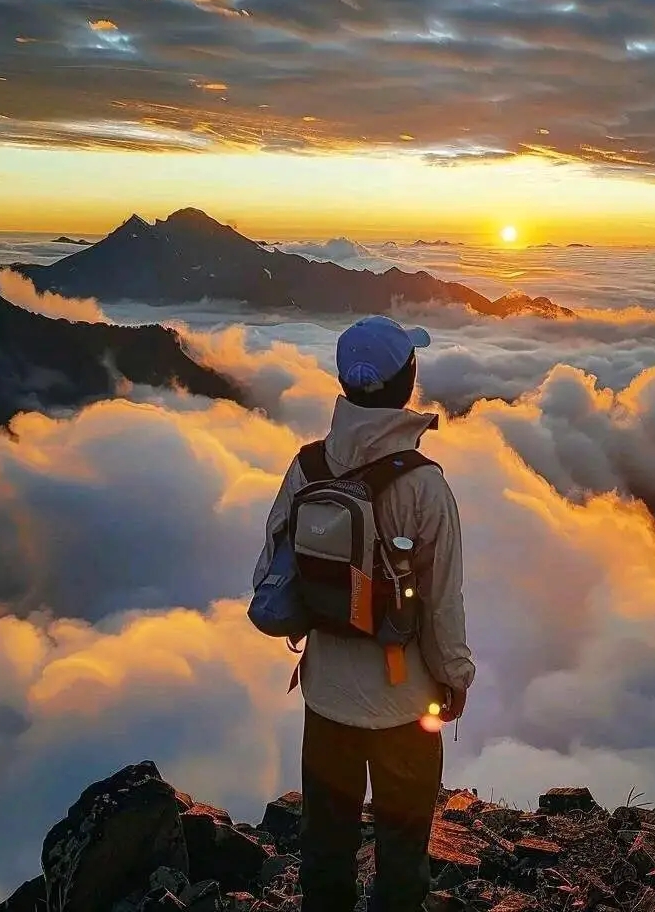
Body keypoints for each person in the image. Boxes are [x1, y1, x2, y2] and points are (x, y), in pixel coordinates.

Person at [253, 315, 476, 912]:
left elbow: (269, 577)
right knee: (402, 851)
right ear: (408, 381)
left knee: (326, 840)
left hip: (326, 696)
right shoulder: (426, 486)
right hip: (406, 705)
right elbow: (442, 602)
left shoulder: (307, 469)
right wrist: (455, 678)